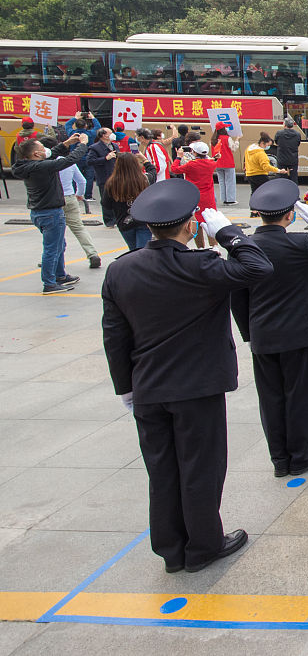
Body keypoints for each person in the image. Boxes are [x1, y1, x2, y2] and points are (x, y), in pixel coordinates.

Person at [101, 180, 273, 573]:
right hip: (197, 387)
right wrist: (228, 232)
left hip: (148, 386)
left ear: (149, 227)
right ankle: (203, 545)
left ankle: (171, 548)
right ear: (190, 226)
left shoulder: (121, 270)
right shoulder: (201, 266)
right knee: (200, 467)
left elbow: (114, 334)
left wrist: (125, 387)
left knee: (161, 470)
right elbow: (259, 267)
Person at [230, 179, 308, 476]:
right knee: (300, 394)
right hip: (299, 334)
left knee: (270, 397)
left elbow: (237, 297)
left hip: (262, 333)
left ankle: (280, 458)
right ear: (290, 215)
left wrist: (248, 333)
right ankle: (301, 454)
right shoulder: (301, 244)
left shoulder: (246, 247)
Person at [12, 133, 88, 293]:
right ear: (36, 154)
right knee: (52, 249)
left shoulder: (29, 166)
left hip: (40, 212)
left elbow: (52, 154)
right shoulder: (41, 167)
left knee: (59, 245)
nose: (46, 150)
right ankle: (49, 283)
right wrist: (82, 145)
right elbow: (69, 160)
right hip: (50, 213)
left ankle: (60, 275)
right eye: (42, 148)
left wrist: (67, 143)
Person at [105, 152, 158, 251]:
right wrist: (144, 159)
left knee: (133, 251)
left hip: (124, 221)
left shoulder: (112, 183)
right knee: (142, 252)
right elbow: (153, 172)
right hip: (143, 221)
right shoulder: (144, 179)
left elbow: (106, 204)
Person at [58, 157, 102, 269]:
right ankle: (92, 254)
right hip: (70, 197)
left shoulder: (47, 163)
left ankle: (53, 257)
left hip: (55, 199)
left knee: (54, 230)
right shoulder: (69, 163)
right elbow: (82, 181)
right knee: (78, 228)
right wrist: (79, 194)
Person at [174, 142, 219, 249]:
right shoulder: (211, 164)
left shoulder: (191, 165)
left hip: (194, 197)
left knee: (196, 222)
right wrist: (215, 158)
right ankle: (214, 246)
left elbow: (174, 169)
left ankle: (200, 247)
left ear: (194, 153)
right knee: (209, 221)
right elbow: (210, 161)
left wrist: (178, 157)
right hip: (209, 197)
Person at [85, 127, 120, 227]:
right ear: (104, 135)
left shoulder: (114, 146)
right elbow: (90, 161)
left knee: (117, 199)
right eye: (110, 133)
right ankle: (109, 221)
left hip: (116, 176)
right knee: (106, 199)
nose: (112, 134)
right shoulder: (95, 147)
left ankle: (117, 218)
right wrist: (105, 158)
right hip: (104, 176)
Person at [244, 132, 282, 211]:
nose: (268, 147)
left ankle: (253, 210)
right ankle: (267, 208)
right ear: (262, 143)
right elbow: (266, 167)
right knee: (267, 191)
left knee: (254, 192)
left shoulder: (249, 148)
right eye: (267, 145)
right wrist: (278, 170)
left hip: (250, 174)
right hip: (260, 174)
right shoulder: (261, 154)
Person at [212, 125, 238, 205]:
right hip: (228, 162)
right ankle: (230, 199)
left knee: (221, 182)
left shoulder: (213, 139)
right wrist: (237, 140)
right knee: (230, 181)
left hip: (217, 163)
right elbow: (233, 148)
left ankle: (224, 199)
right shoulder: (227, 138)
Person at [274, 117, 303, 182]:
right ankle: (294, 188)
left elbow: (276, 142)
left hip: (282, 158)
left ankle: (283, 188)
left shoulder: (279, 133)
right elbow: (298, 143)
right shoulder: (297, 134)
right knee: (294, 176)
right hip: (293, 159)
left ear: (284, 125)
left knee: (282, 177)